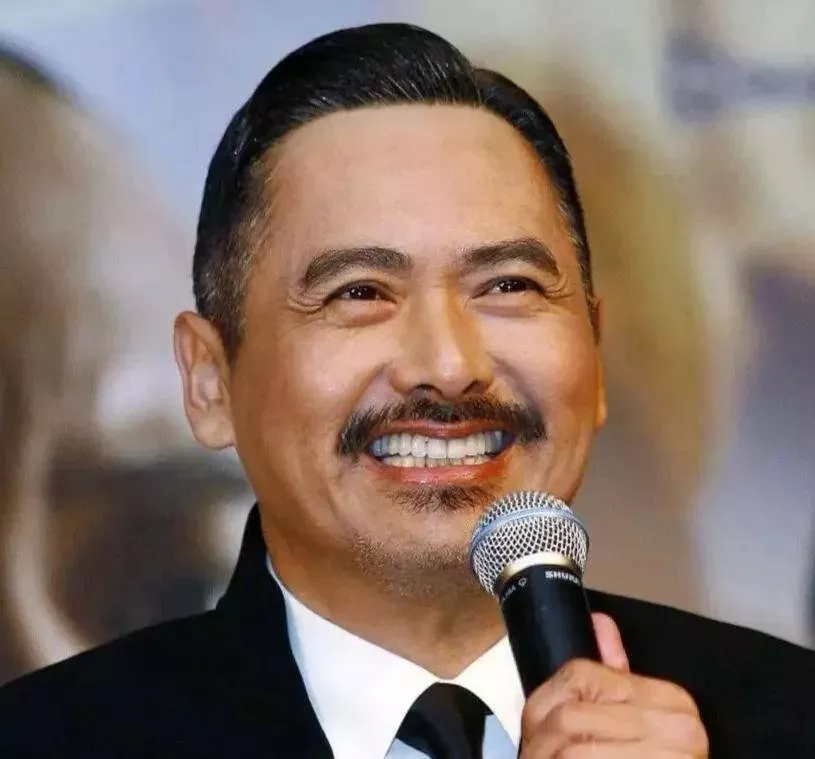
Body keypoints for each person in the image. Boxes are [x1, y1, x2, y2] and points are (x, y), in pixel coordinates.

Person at [0, 22, 812, 758]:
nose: (449, 364)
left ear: (594, 355)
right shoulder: (45, 738)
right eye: (360, 292)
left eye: (507, 285)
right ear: (210, 380)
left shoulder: (784, 718)